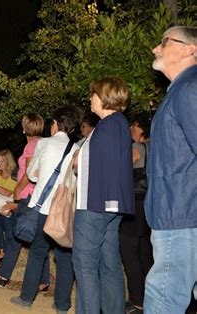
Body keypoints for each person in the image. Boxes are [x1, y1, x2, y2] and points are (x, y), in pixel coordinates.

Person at [144, 26, 197, 313]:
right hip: (181, 213)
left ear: (191, 50)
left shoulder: (189, 89)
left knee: (164, 298)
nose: (156, 48)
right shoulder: (180, 90)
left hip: (181, 214)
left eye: (165, 41)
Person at [73, 77, 134, 314]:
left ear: (104, 97)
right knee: (109, 265)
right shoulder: (118, 123)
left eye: (93, 94)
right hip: (110, 207)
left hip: (95, 204)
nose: (90, 99)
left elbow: (103, 164)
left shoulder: (108, 125)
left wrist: (78, 160)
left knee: (85, 265)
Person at [10, 107, 79, 313]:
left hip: (42, 207)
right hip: (63, 211)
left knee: (38, 252)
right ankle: (62, 305)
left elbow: (31, 174)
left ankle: (26, 298)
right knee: (64, 257)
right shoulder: (77, 148)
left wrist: (41, 171)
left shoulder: (44, 143)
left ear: (56, 123)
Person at [0, 114, 50, 293]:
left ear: (24, 128)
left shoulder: (31, 146)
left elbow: (30, 173)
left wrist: (17, 194)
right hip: (38, 196)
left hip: (28, 196)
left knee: (14, 234)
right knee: (37, 238)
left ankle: (3, 275)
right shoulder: (45, 143)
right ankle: (43, 280)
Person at [119, 115, 153, 314]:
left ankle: (137, 301)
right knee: (145, 254)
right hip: (148, 205)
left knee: (129, 253)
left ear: (140, 127)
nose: (131, 129)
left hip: (134, 206)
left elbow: (123, 164)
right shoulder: (155, 146)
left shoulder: (138, 148)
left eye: (133, 125)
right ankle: (151, 298)